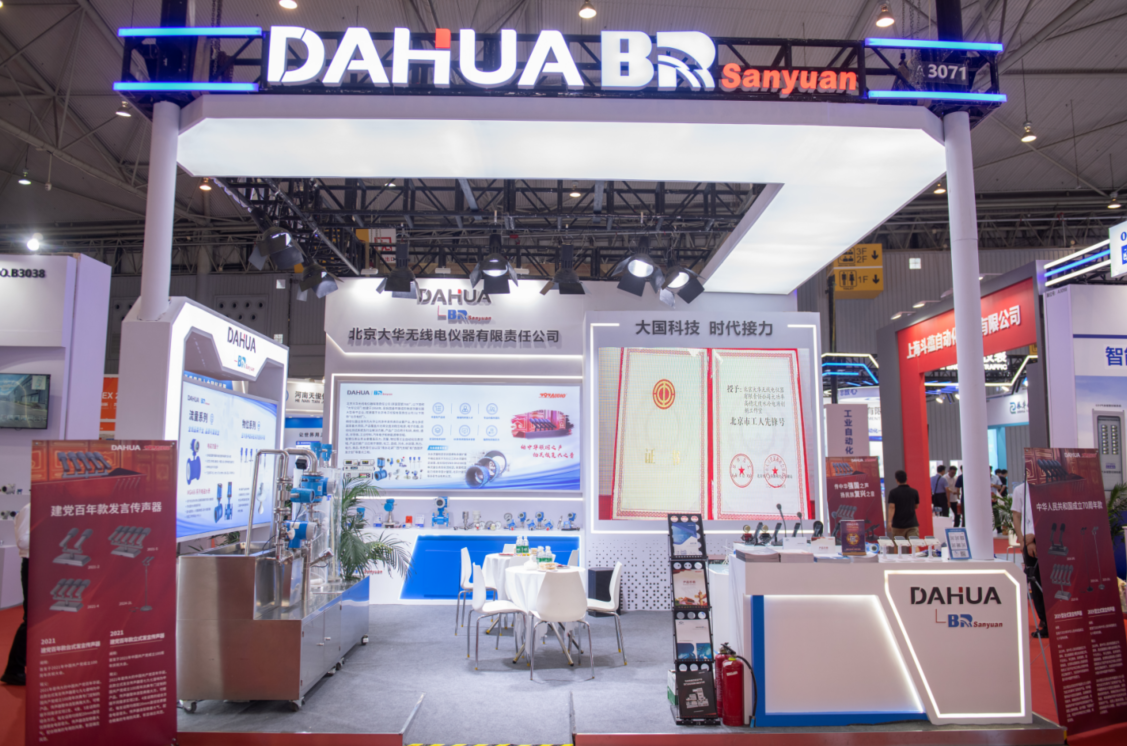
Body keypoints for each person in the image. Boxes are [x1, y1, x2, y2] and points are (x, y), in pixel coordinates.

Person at [1010, 481, 1048, 638]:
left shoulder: (1052, 486)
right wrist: (1024, 541)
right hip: (1030, 540)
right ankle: (1045, 620)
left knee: (1053, 581)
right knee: (1036, 581)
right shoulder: (1021, 490)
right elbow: (1016, 515)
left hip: (1051, 537)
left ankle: (1057, 619)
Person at [2, 503, 29, 686]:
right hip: (33, 564)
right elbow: (23, 542)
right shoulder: (30, 509)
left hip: (48, 564)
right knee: (32, 619)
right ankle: (14, 670)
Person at [887, 470, 920, 539]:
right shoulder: (914, 492)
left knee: (898, 544)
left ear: (896, 480)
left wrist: (889, 521)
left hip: (898, 525)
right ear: (906, 478)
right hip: (912, 524)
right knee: (913, 543)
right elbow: (916, 506)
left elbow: (892, 507)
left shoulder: (893, 492)